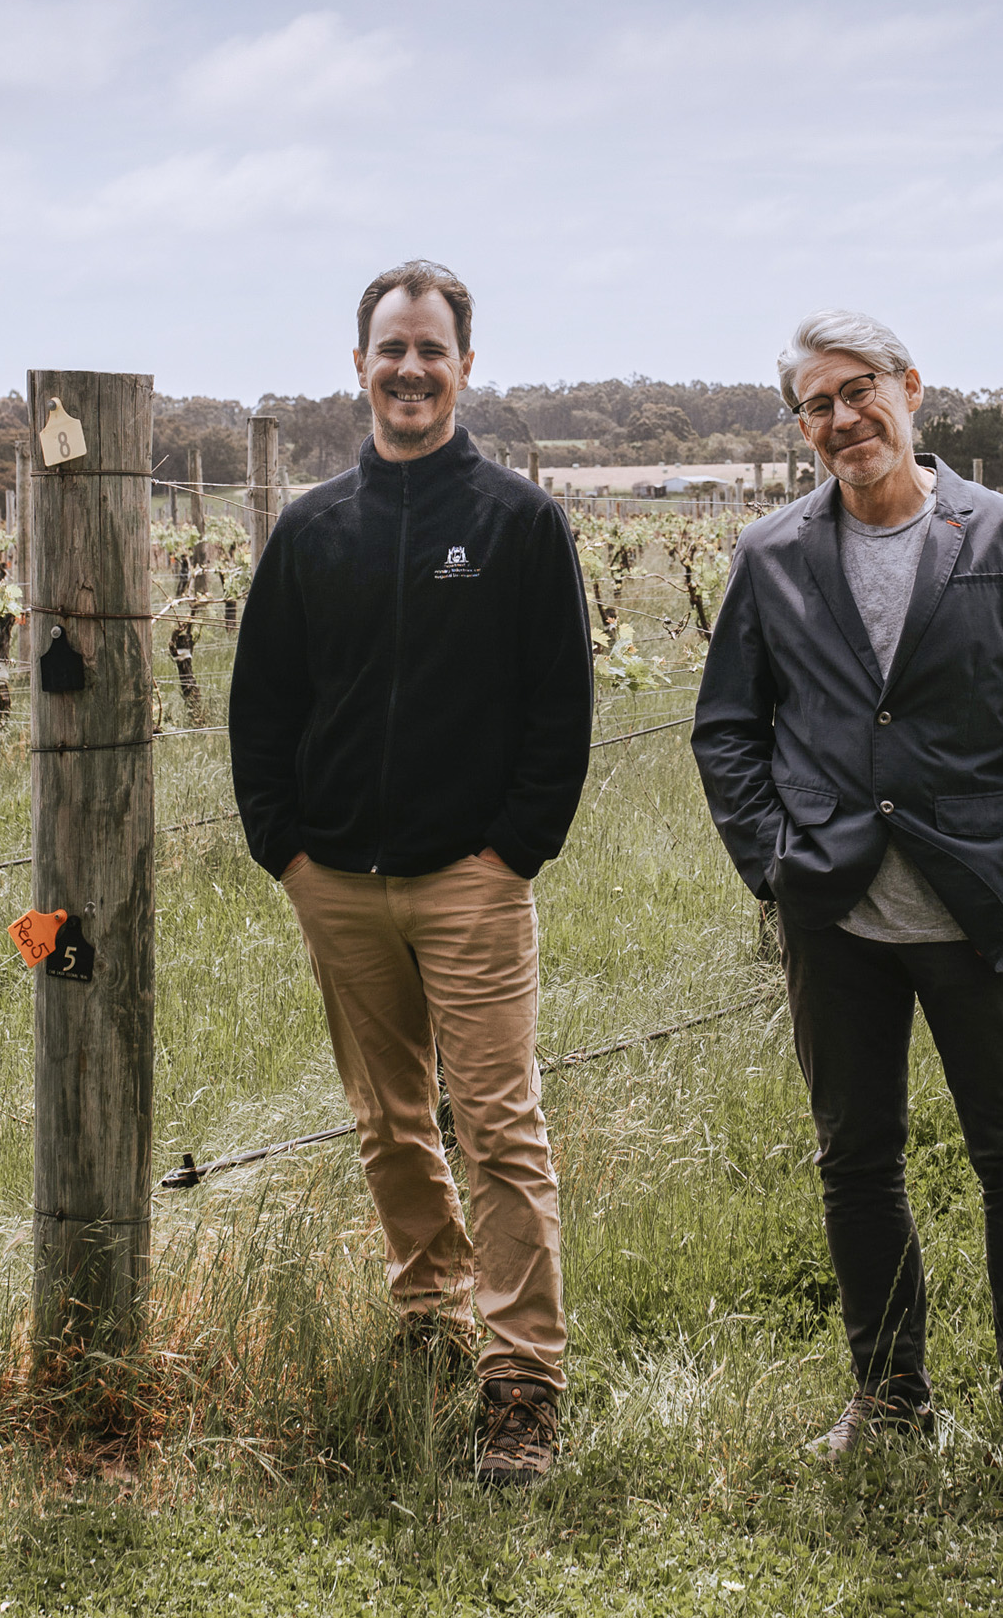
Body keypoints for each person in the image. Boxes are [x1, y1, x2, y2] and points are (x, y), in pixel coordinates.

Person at [689, 309, 1003, 1484]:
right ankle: (888, 1394)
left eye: (856, 390)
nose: (839, 420)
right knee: (854, 1161)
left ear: (910, 388)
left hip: (977, 908)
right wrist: (774, 860)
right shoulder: (770, 555)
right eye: (814, 405)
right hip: (835, 914)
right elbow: (727, 730)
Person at [227, 260, 595, 1485]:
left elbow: (559, 711)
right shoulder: (310, 528)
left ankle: (521, 1383)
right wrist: (282, 847)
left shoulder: (518, 525)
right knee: (389, 1123)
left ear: (464, 369)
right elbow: (261, 705)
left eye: (431, 350)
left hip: (470, 881)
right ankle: (433, 1318)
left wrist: (512, 849)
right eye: (390, 349)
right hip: (336, 879)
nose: (410, 370)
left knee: (497, 1127)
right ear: (359, 367)